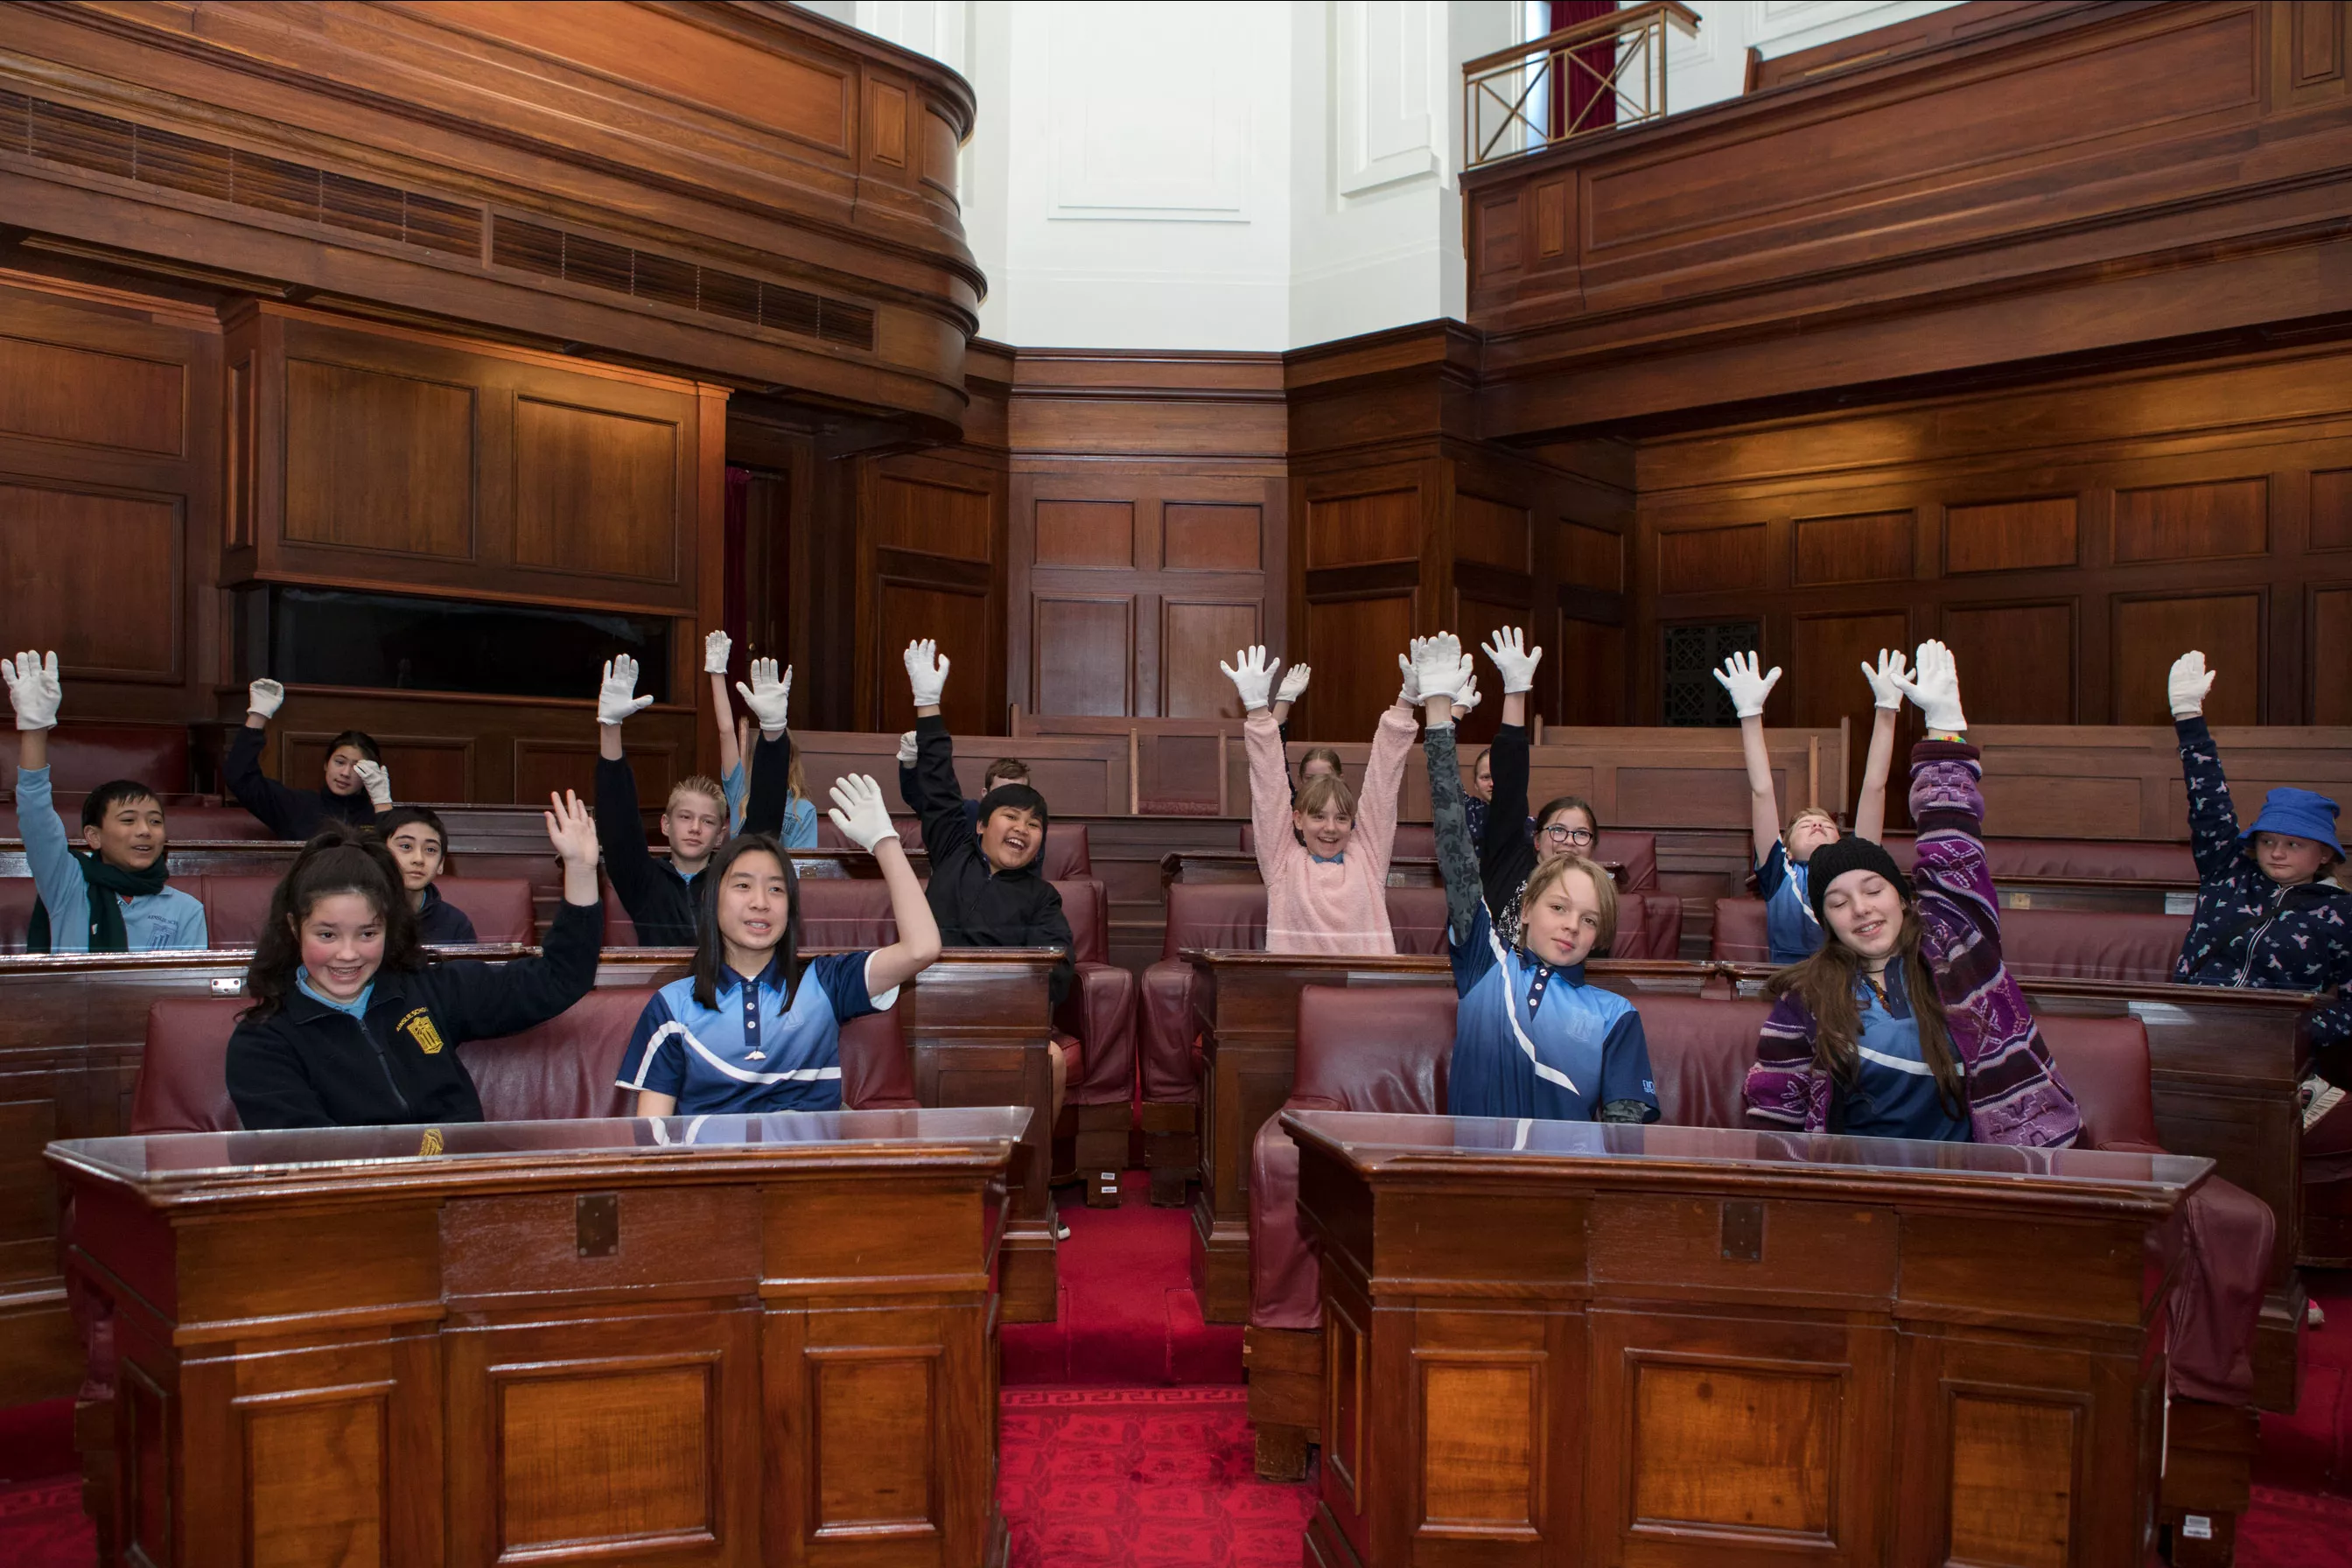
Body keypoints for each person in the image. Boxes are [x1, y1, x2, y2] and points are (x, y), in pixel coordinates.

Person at [1742, 641, 2081, 1147]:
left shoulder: (1958, 947)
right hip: (1861, 1189)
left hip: (1987, 1180)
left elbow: (1952, 849)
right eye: (1838, 903)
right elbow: (1776, 1119)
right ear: (1826, 920)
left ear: (1902, 898)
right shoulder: (1805, 998)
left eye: (1873, 890)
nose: (1860, 909)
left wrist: (1945, 731)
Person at [225, 793, 605, 1130]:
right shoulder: (262, 1042)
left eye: (367, 933)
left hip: (463, 1183)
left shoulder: (428, 987)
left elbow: (560, 978)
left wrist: (582, 872)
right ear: (295, 928)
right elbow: (311, 1165)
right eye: (327, 934)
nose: (348, 953)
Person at [1418, 634, 1656, 1123]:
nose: (1572, 926)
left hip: (1565, 1188)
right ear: (1525, 908)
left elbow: (1624, 1135)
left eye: (1589, 919)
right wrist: (1439, 718)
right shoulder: (1484, 965)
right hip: (1470, 1181)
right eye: (1559, 908)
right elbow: (1454, 843)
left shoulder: (1616, 1014)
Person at [616, 775, 941, 1116]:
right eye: (743, 886)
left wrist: (884, 842)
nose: (761, 902)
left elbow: (922, 948)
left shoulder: (825, 982)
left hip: (811, 1165)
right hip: (718, 1166)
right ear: (712, 901)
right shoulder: (673, 1006)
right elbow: (654, 1138)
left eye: (776, 889)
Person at [901, 640, 1076, 1122]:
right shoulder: (953, 851)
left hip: (1004, 1020)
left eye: (1034, 824)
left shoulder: (1044, 898)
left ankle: (1027, 1185)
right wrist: (927, 703)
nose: (1022, 829)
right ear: (980, 823)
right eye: (1011, 816)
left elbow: (1057, 973)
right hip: (929, 1009)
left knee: (1052, 1059)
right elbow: (937, 786)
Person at [2166, 650, 2352, 1068]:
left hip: (2272, 1048)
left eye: (2295, 844)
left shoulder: (2343, 912)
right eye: (2268, 841)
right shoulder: (2228, 869)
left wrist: (2300, 1033)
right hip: (2189, 1028)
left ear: (2324, 854)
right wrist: (2188, 716)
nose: (2277, 852)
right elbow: (2209, 801)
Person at [4, 650, 206, 951]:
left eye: (155, 821)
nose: (145, 831)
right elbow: (36, 813)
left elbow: (184, 996)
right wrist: (34, 730)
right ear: (93, 836)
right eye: (128, 820)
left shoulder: (186, 910)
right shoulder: (68, 885)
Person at [1716, 648, 1905, 963]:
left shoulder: (1856, 865)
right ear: (1786, 848)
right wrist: (1749, 714)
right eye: (1805, 826)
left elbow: (1874, 788)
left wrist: (1887, 710)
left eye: (1826, 825)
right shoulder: (1780, 870)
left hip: (1854, 983)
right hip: (1793, 986)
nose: (1817, 824)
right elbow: (1762, 791)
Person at [1224, 642, 1414, 954]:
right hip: (1297, 994)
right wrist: (1259, 712)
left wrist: (1405, 702)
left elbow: (1384, 783)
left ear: (1353, 823)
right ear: (1297, 819)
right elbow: (1268, 790)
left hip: (1365, 997)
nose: (1330, 828)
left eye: (1341, 818)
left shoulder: (1368, 858)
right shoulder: (1282, 863)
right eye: (1318, 816)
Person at [1471, 626, 1609, 948]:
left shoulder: (1595, 892)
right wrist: (1516, 692)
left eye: (1581, 834)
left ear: (1593, 846)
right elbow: (1510, 784)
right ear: (1536, 838)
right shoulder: (1510, 858)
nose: (1568, 843)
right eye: (1558, 830)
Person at [592, 653, 732, 945]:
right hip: (663, 987)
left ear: (720, 835)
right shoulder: (643, 880)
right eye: (685, 817)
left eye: (707, 821)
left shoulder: (733, 879)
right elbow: (619, 824)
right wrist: (610, 727)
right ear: (665, 824)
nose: (695, 828)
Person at [224, 678, 388, 839]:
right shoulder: (295, 805)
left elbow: (394, 854)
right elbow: (240, 779)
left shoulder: (379, 814)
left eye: (357, 767)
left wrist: (382, 803)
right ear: (326, 764)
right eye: (339, 762)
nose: (345, 773)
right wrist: (258, 716)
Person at [707, 631, 817, 845]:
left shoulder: (803, 810)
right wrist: (716, 674)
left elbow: (805, 866)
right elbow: (727, 732)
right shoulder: (741, 791)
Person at [374, 805, 477, 945]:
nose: (419, 859)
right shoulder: (360, 913)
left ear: (440, 864)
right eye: (406, 846)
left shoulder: (455, 924)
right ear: (380, 853)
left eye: (430, 849)